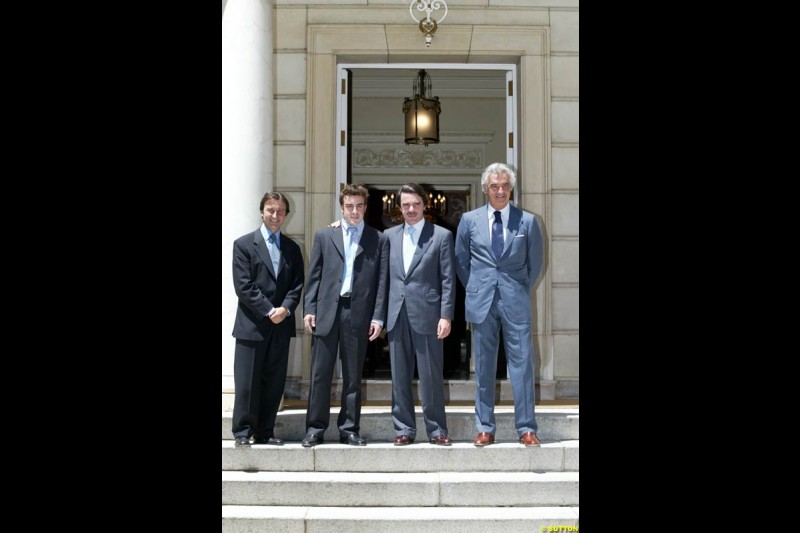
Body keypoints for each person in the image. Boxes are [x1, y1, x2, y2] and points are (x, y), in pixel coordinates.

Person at [454, 163, 544, 447]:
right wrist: (477, 286)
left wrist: (517, 289)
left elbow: (535, 264)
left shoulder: (527, 222)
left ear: (511, 187)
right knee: (483, 368)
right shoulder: (469, 220)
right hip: (482, 303)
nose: (500, 191)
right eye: (494, 186)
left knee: (522, 366)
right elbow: (461, 261)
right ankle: (484, 427)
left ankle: (527, 428)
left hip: (515, 302)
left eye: (505, 186)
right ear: (485, 189)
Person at [302, 184, 388, 447]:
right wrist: (309, 309)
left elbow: (382, 282)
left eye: (359, 206)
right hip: (327, 312)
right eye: (349, 206)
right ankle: (315, 429)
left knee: (353, 375)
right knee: (320, 374)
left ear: (366, 207)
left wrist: (378, 317)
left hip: (358, 314)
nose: (354, 211)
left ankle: (349, 428)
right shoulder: (325, 236)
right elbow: (314, 277)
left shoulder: (378, 239)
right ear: (341, 207)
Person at [230, 191, 305, 448]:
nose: (276, 216)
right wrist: (269, 310)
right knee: (247, 382)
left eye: (280, 211)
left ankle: (265, 431)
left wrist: (284, 309)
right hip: (252, 325)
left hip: (281, 326)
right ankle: (242, 431)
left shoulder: (293, 248)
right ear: (262, 211)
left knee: (274, 382)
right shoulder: (243, 245)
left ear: (286, 214)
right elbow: (243, 285)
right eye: (271, 210)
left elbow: (297, 285)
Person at [384, 183, 456, 446]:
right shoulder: (388, 236)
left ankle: (437, 430)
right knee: (399, 376)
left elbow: (448, 279)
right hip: (396, 314)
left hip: (429, 315)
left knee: (430, 376)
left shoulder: (441, 236)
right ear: (399, 208)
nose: (411, 209)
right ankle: (403, 428)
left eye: (415, 204)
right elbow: (383, 279)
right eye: (405, 205)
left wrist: (446, 315)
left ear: (425, 205)